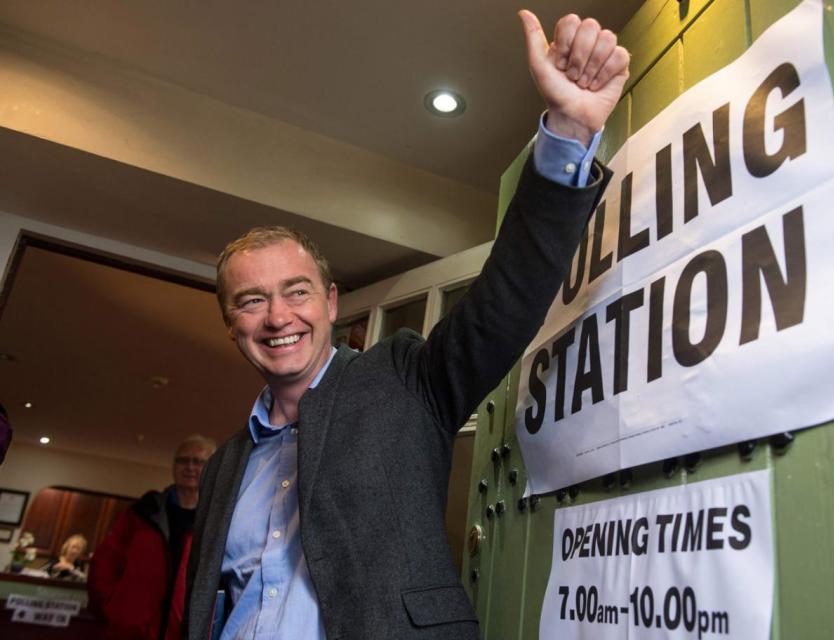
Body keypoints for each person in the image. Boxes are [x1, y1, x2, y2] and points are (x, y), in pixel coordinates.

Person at [184, 10, 629, 640]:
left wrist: (569, 131)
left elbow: (505, 299)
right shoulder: (227, 462)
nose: (278, 316)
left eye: (297, 292)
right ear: (231, 323)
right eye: (252, 301)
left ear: (332, 303)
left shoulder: (402, 378)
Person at [89, 434, 216, 640]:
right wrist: (113, 609)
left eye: (199, 462)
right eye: (183, 460)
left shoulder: (217, 523)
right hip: (130, 632)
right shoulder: (143, 513)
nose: (190, 467)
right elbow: (105, 563)